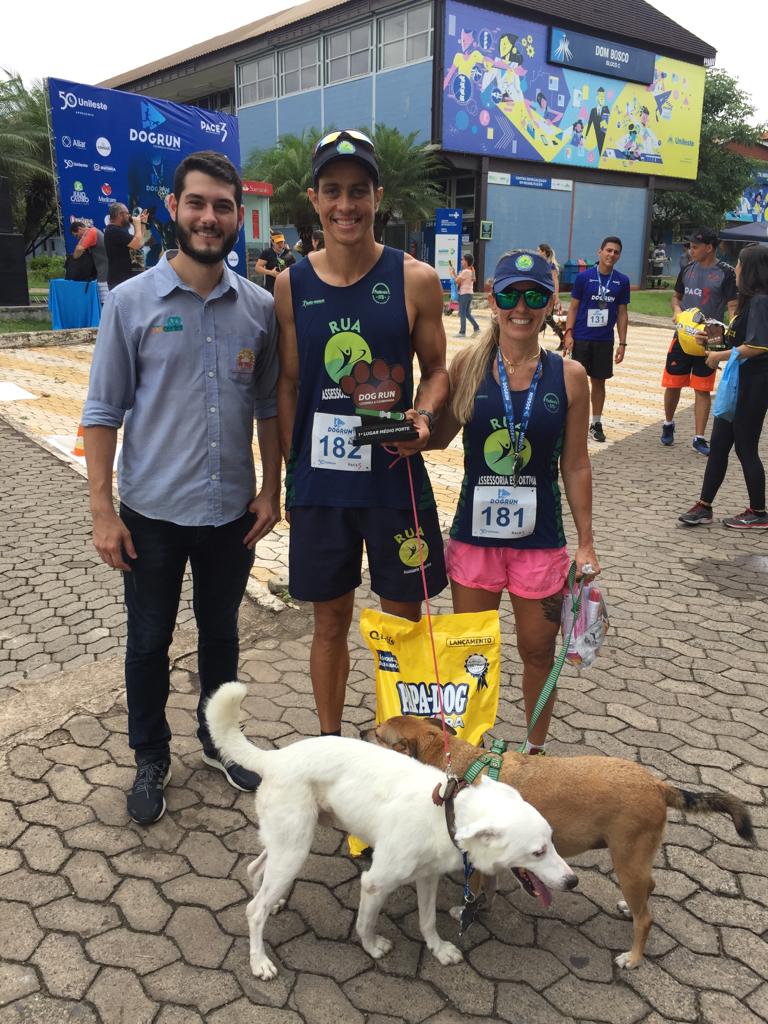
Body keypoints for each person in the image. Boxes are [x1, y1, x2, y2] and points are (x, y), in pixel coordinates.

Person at [82, 151, 281, 825]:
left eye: (222, 206)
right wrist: (102, 509)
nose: (209, 217)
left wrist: (271, 489)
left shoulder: (257, 307)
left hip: (231, 511)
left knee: (220, 634)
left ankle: (220, 741)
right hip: (152, 514)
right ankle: (149, 754)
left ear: (235, 217)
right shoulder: (131, 302)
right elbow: (102, 410)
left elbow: (269, 408)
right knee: (147, 641)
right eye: (197, 203)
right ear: (174, 208)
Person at [275, 128, 449, 735]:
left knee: (400, 623)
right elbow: (290, 387)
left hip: (392, 479)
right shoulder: (291, 284)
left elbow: (438, 373)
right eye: (332, 192)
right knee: (329, 624)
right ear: (314, 199)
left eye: (357, 191)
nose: (345, 205)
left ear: (378, 196)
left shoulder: (416, 279)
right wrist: (289, 479)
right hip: (323, 485)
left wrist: (423, 417)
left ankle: (397, 753)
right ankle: (330, 747)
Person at [428, 250, 599, 754]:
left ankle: (534, 756)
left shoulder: (569, 376)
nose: (520, 306)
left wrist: (587, 543)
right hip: (474, 539)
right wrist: (394, 424)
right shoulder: (469, 366)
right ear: (492, 299)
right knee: (469, 652)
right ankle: (465, 755)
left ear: (550, 304)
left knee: (537, 650)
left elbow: (576, 462)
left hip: (540, 541)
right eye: (508, 294)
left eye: (534, 295)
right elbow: (437, 439)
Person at [678, 244, 768, 529]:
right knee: (718, 445)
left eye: (740, 264)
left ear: (751, 270)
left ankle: (759, 512)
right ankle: (704, 506)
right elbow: (741, 340)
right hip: (737, 382)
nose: (736, 269)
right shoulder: (750, 302)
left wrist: (718, 356)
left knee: (745, 447)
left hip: (754, 384)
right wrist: (715, 340)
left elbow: (757, 345)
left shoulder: (761, 301)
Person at [661, 227, 738, 455]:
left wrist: (732, 330)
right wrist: (676, 311)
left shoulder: (727, 273)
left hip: (711, 336)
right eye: (690, 246)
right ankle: (668, 423)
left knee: (702, 389)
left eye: (695, 247)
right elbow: (677, 297)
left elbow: (733, 306)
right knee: (673, 383)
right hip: (683, 334)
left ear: (709, 248)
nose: (691, 250)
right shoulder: (686, 269)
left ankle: (699, 437)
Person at [563, 236, 629, 443]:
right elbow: (573, 306)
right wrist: (569, 333)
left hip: (604, 340)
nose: (611, 255)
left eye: (616, 252)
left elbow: (622, 313)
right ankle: (573, 422)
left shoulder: (622, 281)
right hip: (582, 337)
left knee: (599, 382)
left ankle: (596, 422)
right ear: (599, 252)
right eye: (608, 250)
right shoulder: (584, 278)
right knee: (576, 382)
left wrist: (623, 343)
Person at [104, 203, 149, 290]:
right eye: (127, 213)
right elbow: (137, 244)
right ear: (120, 214)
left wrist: (142, 223)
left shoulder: (119, 231)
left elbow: (139, 242)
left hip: (128, 280)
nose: (129, 216)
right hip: (120, 282)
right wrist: (137, 225)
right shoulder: (113, 231)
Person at [70, 221, 108, 304]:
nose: (77, 238)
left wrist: (81, 239)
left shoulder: (91, 232)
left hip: (104, 276)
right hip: (104, 273)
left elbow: (77, 253)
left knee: (104, 304)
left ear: (80, 229)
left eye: (76, 235)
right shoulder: (93, 231)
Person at [537, 243, 565, 346]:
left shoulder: (550, 265)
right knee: (542, 321)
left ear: (544, 252)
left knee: (548, 319)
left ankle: (563, 339)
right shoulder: (541, 264)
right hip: (542, 294)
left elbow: (555, 281)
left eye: (539, 250)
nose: (537, 252)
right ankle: (530, 338)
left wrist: (556, 296)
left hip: (549, 295)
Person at [449, 253, 480, 337]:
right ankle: (476, 327)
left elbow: (456, 281)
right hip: (469, 294)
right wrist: (455, 273)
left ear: (466, 261)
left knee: (462, 313)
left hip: (464, 294)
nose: (461, 261)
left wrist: (451, 274)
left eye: (462, 259)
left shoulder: (465, 271)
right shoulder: (470, 271)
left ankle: (462, 332)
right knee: (466, 313)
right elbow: (459, 280)